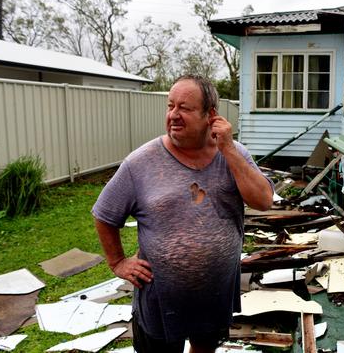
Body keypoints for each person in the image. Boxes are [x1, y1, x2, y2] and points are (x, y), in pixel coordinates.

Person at [91, 75, 274, 353]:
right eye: (170, 106)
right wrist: (117, 262)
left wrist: (228, 149)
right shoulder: (140, 162)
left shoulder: (233, 154)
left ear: (210, 115)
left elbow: (263, 200)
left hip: (214, 295)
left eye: (185, 108)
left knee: (204, 348)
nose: (173, 115)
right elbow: (105, 214)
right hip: (159, 300)